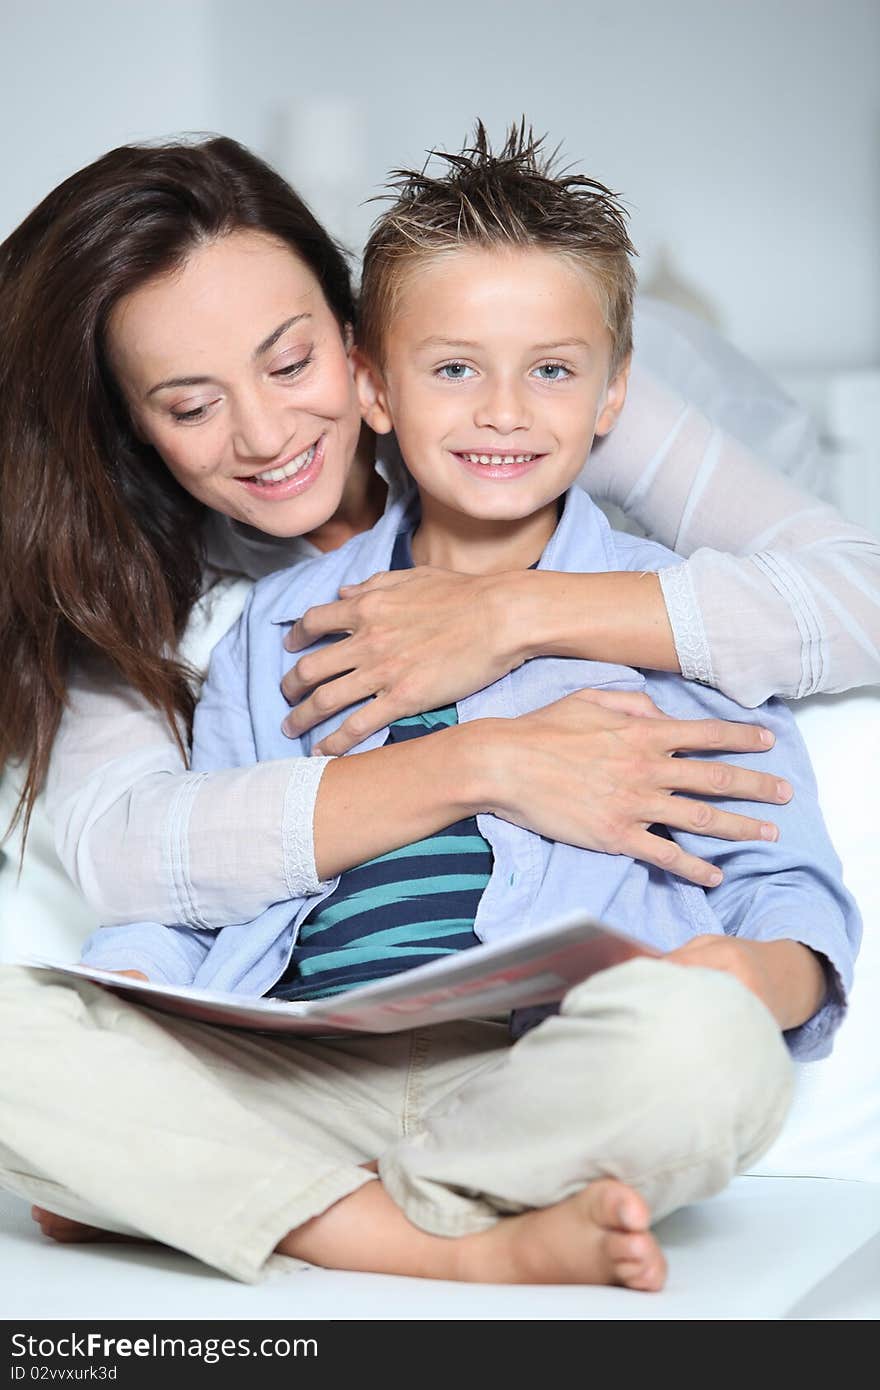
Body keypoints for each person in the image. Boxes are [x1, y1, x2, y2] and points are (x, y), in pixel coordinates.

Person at [0, 131, 872, 1286]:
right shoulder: (254, 630)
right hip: (305, 1069)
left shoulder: (660, 582)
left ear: (350, 349)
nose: (262, 434)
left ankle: (232, 1196)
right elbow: (153, 872)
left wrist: (518, 611)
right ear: (387, 378)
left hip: (531, 1064)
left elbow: (784, 851)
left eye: (286, 360)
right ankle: (450, 1241)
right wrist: (148, 1002)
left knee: (708, 1052)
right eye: (190, 403)